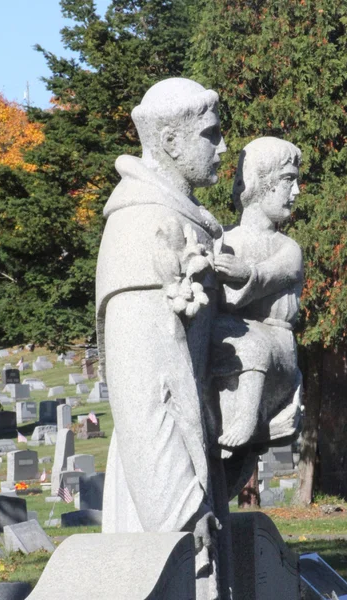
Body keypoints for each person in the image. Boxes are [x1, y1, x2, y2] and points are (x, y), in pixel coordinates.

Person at [96, 78, 226, 599]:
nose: (222, 148)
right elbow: (139, 392)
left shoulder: (184, 220)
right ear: (171, 141)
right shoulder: (142, 229)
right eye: (210, 136)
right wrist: (179, 510)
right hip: (162, 491)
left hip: (192, 464)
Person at [212, 137, 303, 454]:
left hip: (275, 349)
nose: (296, 192)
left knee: (253, 343)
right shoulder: (224, 239)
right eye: (288, 180)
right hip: (232, 340)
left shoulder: (288, 249)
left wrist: (245, 274)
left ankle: (247, 418)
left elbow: (267, 276)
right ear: (258, 182)